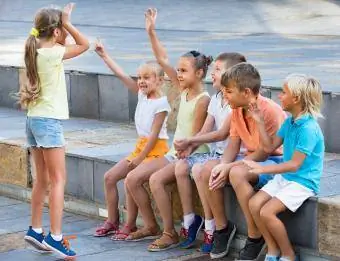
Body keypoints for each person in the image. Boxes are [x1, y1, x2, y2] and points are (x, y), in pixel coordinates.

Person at [22, 3, 89, 259]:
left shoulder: (35, 50)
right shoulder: (53, 53)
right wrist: (69, 21)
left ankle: (36, 229)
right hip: (48, 121)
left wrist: (62, 25)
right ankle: (56, 237)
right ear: (58, 31)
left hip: (33, 120)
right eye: (62, 29)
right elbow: (84, 45)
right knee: (59, 180)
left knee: (42, 179)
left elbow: (68, 42)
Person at [203, 63, 286, 259]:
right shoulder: (237, 110)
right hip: (251, 159)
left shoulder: (269, 111)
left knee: (236, 173)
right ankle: (222, 228)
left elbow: (265, 153)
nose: (225, 96)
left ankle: (255, 235)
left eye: (229, 92)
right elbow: (233, 142)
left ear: (246, 92)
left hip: (275, 161)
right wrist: (223, 165)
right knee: (209, 169)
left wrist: (230, 167)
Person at [93, 40, 171, 242]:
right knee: (110, 177)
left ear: (160, 81)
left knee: (131, 180)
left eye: (147, 77)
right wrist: (104, 56)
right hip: (141, 147)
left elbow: (154, 136)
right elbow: (121, 75)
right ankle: (112, 220)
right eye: (140, 77)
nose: (141, 81)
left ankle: (137, 224)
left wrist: (140, 159)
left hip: (156, 150)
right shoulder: (142, 95)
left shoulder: (161, 104)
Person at [173, 53, 246, 253]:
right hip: (218, 154)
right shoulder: (216, 99)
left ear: (232, 74)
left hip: (237, 155)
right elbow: (206, 130)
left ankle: (214, 225)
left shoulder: (235, 101)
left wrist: (189, 140)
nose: (211, 74)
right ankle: (200, 221)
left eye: (217, 70)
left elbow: (221, 133)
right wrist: (189, 148)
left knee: (202, 170)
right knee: (188, 167)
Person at [246, 74, 324, 261]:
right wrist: (259, 121)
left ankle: (289, 254)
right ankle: (272, 250)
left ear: (296, 98)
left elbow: (295, 164)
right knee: (254, 204)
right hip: (287, 178)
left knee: (267, 212)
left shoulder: (308, 129)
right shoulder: (290, 122)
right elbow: (269, 147)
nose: (280, 96)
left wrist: (261, 169)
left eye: (284, 92)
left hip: (303, 182)